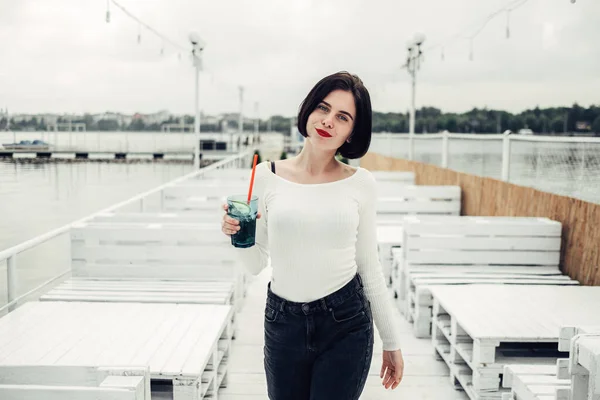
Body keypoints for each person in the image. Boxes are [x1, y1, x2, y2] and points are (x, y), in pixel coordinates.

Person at [221, 71, 404, 399]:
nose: (328, 121)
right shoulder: (265, 176)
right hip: (283, 322)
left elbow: (369, 265)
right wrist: (237, 235)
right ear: (308, 112)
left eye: (342, 117)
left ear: (351, 133)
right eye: (323, 108)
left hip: (345, 322)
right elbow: (254, 263)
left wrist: (391, 342)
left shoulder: (361, 183)